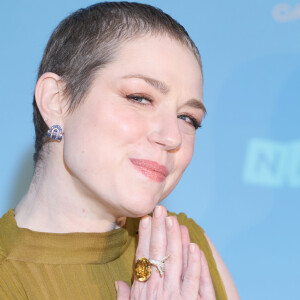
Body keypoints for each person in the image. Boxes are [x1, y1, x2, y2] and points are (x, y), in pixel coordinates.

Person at [0, 2, 240, 299]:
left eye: (187, 118)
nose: (171, 137)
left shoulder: (184, 250)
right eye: (139, 98)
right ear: (55, 101)